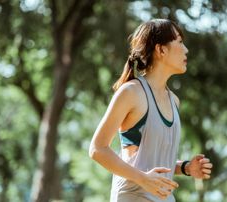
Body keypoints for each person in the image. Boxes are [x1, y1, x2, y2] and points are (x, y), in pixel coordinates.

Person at [89, 19, 213, 202]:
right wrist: (142, 179)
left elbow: (152, 162)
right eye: (179, 41)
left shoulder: (174, 101)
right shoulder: (131, 92)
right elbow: (97, 149)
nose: (186, 49)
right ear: (161, 49)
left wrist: (186, 167)